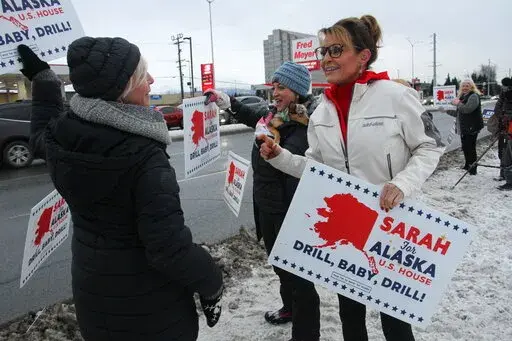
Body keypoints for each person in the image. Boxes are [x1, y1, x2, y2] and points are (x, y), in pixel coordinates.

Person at [17, 39, 223, 341]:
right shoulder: (144, 157)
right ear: (123, 91)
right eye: (143, 77)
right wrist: (212, 283)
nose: (151, 82)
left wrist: (43, 79)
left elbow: (39, 133)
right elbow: (168, 249)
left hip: (94, 300)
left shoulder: (60, 137)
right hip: (152, 313)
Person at [258, 15, 444, 341]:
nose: (326, 58)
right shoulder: (322, 110)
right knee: (350, 314)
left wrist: (401, 184)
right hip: (348, 228)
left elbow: (430, 147)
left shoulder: (395, 96)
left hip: (391, 225)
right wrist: (281, 158)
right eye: (323, 51)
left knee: (396, 321)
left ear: (363, 56)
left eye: (336, 50)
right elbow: (316, 169)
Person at [205, 61, 321, 341]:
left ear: (297, 90)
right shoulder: (272, 117)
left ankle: (306, 334)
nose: (275, 92)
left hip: (293, 210)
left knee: (300, 278)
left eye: (281, 87)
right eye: (274, 86)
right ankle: (289, 308)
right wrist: (226, 101)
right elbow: (250, 111)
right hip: (267, 206)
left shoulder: (313, 125)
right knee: (280, 266)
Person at [448, 79, 484, 175]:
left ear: (471, 86)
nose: (464, 87)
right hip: (464, 127)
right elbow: (459, 112)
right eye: (463, 86)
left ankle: (473, 169)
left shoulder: (473, 96)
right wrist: (446, 110)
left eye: (467, 85)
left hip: (472, 126)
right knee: (465, 147)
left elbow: (467, 109)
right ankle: (467, 165)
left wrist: (457, 103)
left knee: (470, 147)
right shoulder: (463, 96)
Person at [490, 78, 512, 190]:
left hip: (510, 127)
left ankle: (509, 179)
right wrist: (500, 116)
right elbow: (498, 106)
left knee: (509, 153)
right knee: (502, 151)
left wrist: (507, 116)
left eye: (505, 86)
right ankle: (503, 174)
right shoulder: (503, 94)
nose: (503, 87)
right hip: (503, 126)